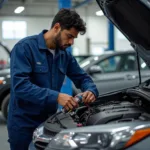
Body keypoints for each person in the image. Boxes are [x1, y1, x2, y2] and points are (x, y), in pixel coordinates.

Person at [7, 8, 99, 150]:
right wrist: (56, 97)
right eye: (69, 36)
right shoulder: (25, 48)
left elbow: (82, 77)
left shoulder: (64, 55)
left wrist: (90, 90)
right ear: (56, 27)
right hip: (23, 124)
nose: (71, 42)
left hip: (49, 122)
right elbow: (20, 86)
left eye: (74, 38)